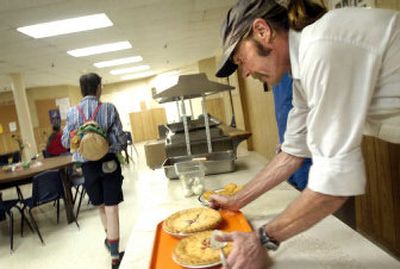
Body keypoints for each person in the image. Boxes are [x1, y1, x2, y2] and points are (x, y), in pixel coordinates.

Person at [212, 0, 400, 268]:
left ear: (262, 31)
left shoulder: (323, 47)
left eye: (242, 60)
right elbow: (293, 151)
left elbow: (335, 183)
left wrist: (262, 238)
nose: (246, 72)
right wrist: (236, 200)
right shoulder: (302, 75)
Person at [62, 73, 127, 269]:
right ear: (98, 88)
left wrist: (81, 139)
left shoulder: (73, 113)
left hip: (88, 167)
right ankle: (115, 256)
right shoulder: (109, 109)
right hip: (109, 164)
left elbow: (66, 142)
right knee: (112, 207)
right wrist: (106, 144)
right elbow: (121, 140)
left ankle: (110, 239)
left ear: (81, 90)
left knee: (100, 205)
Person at [272, 73, 311, 190]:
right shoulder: (275, 76)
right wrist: (281, 139)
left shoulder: (298, 71)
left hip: (307, 149)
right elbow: (282, 109)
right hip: (287, 145)